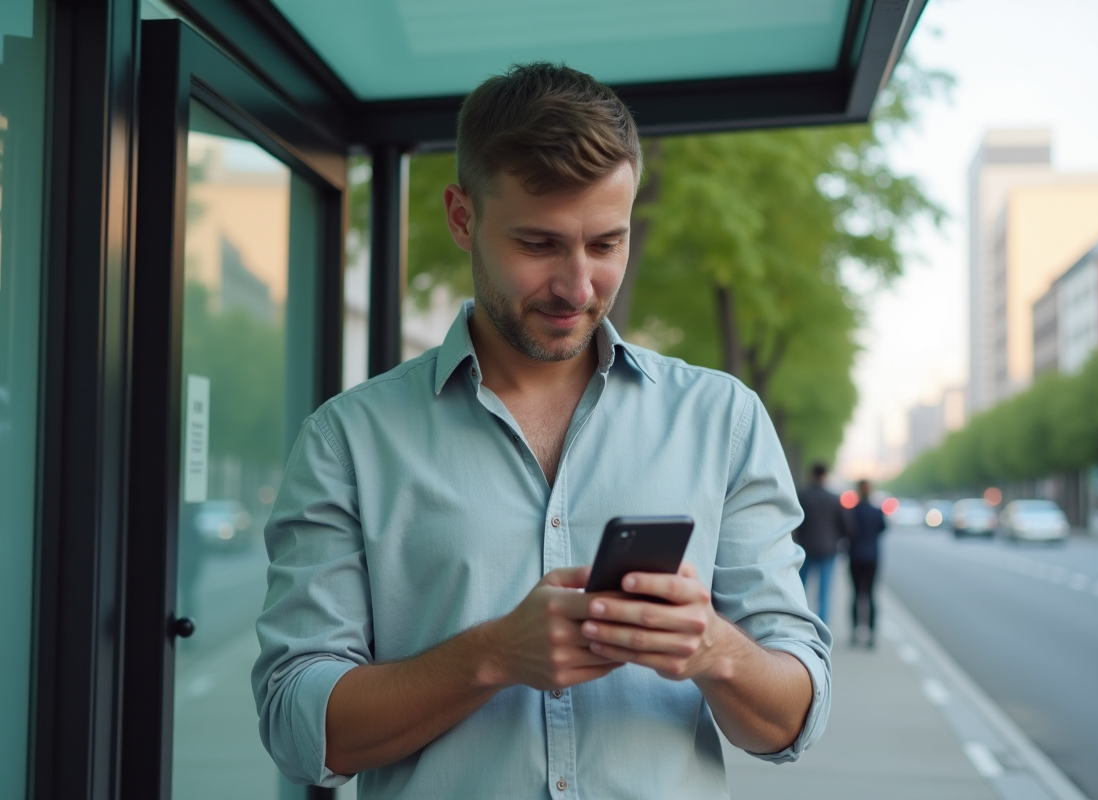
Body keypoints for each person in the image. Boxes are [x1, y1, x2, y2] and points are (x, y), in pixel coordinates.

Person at [252, 63, 832, 798]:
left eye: (605, 244)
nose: (577, 285)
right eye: (539, 244)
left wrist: (716, 648)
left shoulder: (724, 420)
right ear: (462, 218)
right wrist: (491, 656)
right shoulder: (348, 440)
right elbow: (297, 727)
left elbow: (792, 720)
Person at [794, 462, 851, 623]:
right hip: (828, 550)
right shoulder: (833, 499)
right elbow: (846, 526)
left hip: (804, 549)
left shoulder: (802, 496)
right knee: (824, 594)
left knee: (800, 591)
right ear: (825, 476)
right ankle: (821, 629)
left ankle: (798, 625)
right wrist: (835, 539)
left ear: (811, 475)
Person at [848, 480, 887, 648]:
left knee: (856, 595)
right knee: (871, 595)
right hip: (872, 557)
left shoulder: (852, 512)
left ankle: (855, 633)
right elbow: (883, 529)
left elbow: (846, 530)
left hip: (855, 556)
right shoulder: (877, 512)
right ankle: (871, 635)